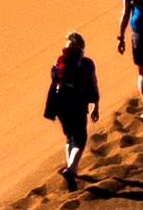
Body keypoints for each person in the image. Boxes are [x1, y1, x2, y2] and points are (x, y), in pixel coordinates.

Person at [43, 31, 102, 183]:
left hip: (60, 105)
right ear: (82, 47)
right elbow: (93, 84)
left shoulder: (58, 62)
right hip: (78, 105)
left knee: (70, 136)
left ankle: (71, 169)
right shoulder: (87, 63)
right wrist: (96, 105)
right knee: (80, 140)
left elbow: (55, 82)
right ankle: (71, 168)